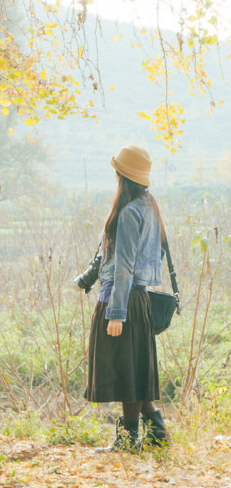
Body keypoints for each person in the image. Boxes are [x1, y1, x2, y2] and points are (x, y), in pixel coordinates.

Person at [77, 145, 170, 452]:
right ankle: (155, 433)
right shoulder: (148, 204)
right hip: (139, 298)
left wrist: (116, 312)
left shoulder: (129, 212)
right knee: (135, 369)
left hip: (123, 300)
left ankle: (129, 441)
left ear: (121, 175)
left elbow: (123, 265)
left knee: (125, 371)